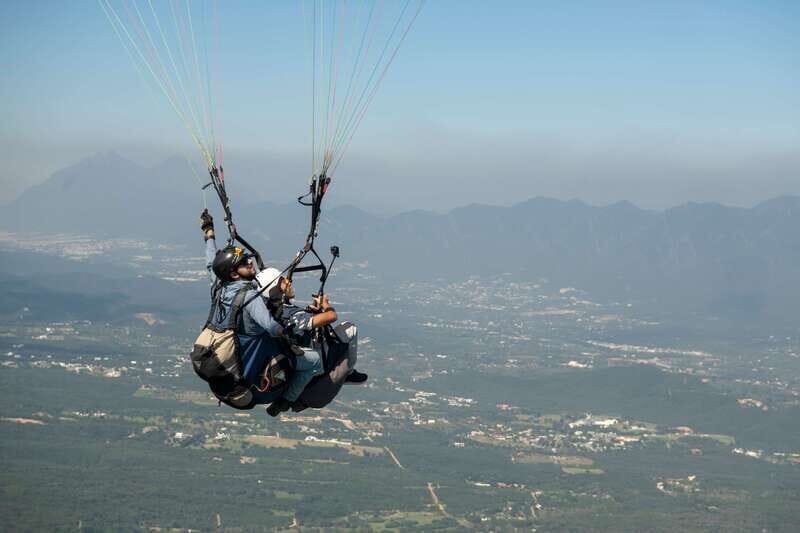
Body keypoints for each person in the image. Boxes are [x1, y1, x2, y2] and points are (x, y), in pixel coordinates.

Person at [200, 209, 324, 412]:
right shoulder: (250, 297)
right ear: (233, 274)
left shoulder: (218, 288)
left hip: (230, 371)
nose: (250, 263)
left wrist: (209, 233)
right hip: (253, 375)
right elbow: (271, 327)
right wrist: (291, 330)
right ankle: (285, 401)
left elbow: (210, 262)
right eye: (243, 263)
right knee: (314, 361)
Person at [256, 268, 367, 416]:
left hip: (293, 350)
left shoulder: (267, 311)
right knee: (350, 328)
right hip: (308, 356)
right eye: (283, 281)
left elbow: (297, 325)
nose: (289, 282)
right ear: (275, 289)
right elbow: (332, 316)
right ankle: (349, 373)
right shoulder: (292, 314)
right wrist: (325, 304)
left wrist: (310, 311)